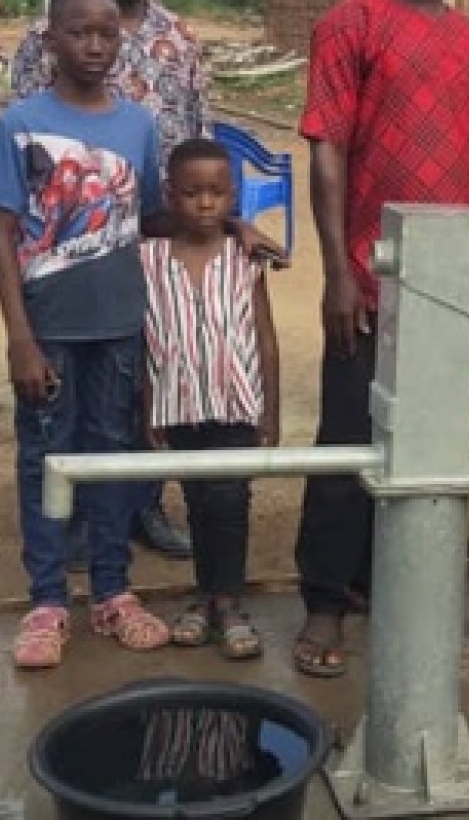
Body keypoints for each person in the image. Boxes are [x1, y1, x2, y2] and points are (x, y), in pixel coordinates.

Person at [291, 0, 469, 679]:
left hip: (446, 284)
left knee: (427, 443)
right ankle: (324, 598)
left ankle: (390, 581)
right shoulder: (351, 23)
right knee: (346, 440)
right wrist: (339, 269)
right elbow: (326, 145)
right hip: (370, 278)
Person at [9, 0, 217, 560]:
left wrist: (205, 225)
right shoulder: (43, 38)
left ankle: (141, 505)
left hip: (153, 234)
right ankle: (66, 516)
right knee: (66, 388)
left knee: (147, 379)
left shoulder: (179, 41)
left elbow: (198, 137)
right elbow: (23, 148)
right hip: (67, 247)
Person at [0, 0, 173, 668]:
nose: (95, 46)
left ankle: (114, 592)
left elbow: (148, 218)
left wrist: (231, 223)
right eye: (79, 33)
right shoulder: (19, 124)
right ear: (51, 40)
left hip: (119, 324)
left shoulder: (140, 126)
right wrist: (20, 337)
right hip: (50, 330)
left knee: (112, 454)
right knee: (46, 458)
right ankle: (47, 600)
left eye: (107, 34)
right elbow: (2, 233)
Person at [143, 138, 282, 661]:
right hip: (179, 403)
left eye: (218, 194)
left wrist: (270, 408)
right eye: (193, 193)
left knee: (231, 501)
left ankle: (230, 602)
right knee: (198, 502)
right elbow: (144, 337)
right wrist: (147, 406)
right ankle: (205, 597)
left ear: (234, 198)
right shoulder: (149, 259)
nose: (206, 204)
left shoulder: (245, 258)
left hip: (237, 401)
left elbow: (264, 335)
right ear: (170, 196)